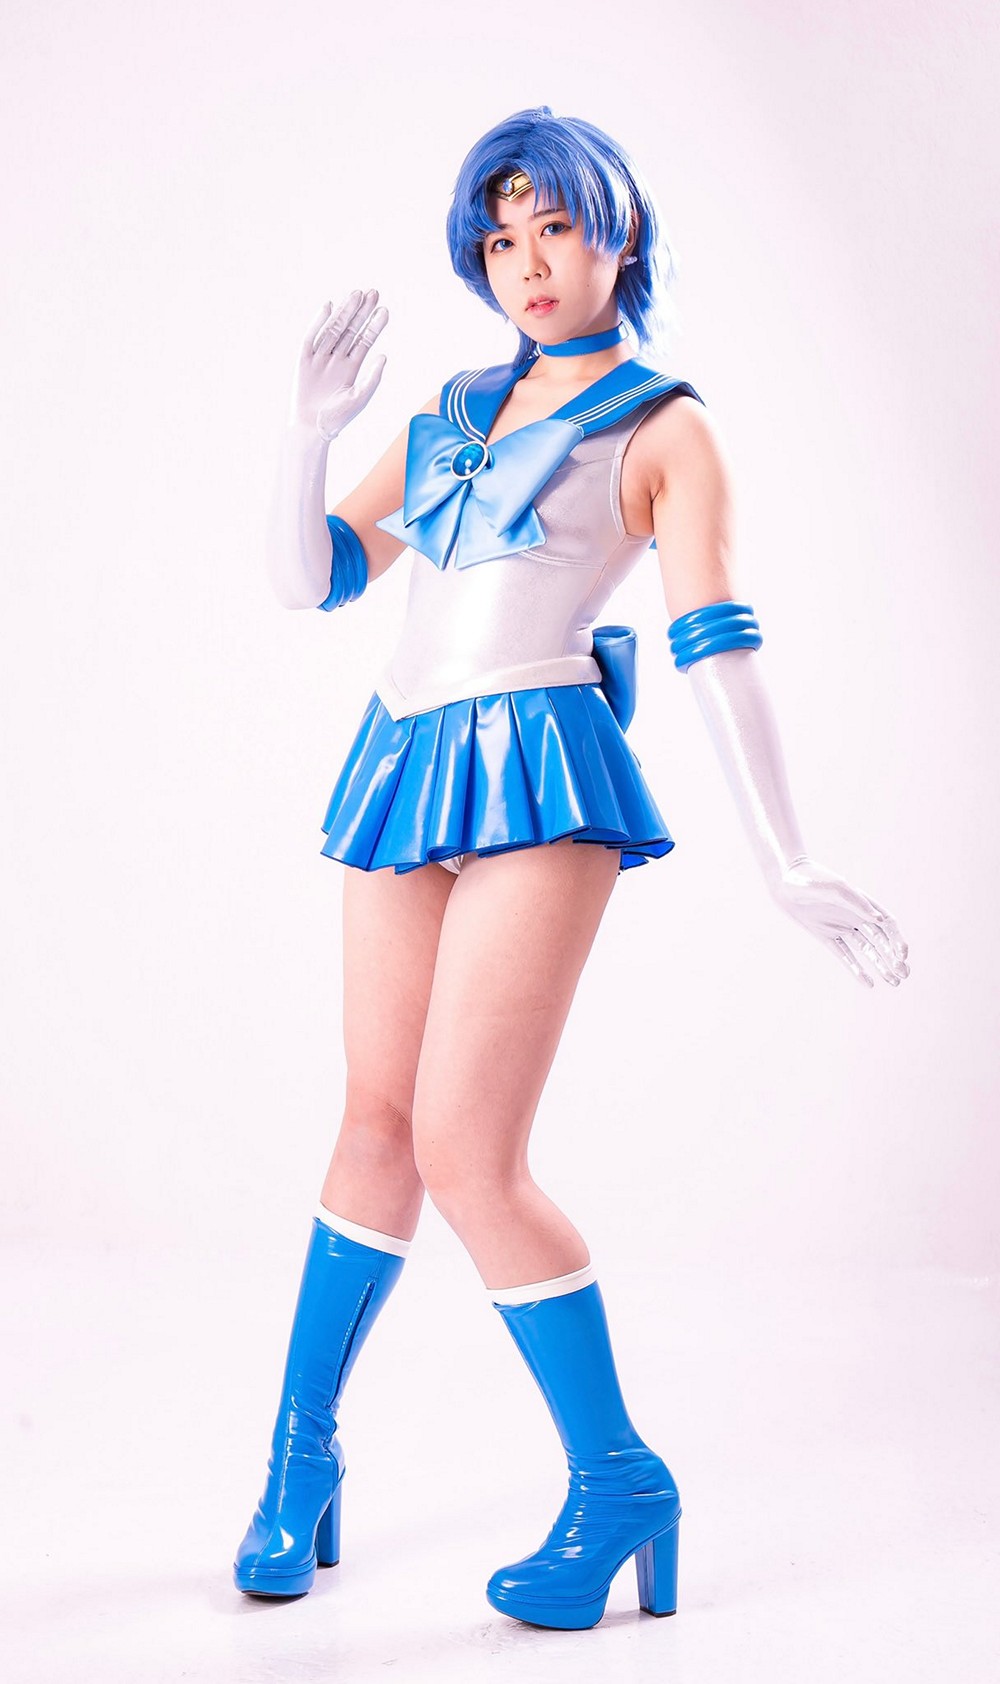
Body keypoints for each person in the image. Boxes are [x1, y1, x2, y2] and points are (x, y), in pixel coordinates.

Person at [233, 105, 910, 1631]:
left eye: (555, 228)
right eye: (501, 238)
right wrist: (305, 433)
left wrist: (790, 859)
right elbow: (310, 580)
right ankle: (299, 1463)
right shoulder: (449, 409)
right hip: (404, 757)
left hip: (543, 764)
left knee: (469, 1151)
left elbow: (717, 643)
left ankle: (617, 1480)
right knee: (374, 1124)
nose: (528, 263)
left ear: (620, 233)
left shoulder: (667, 429)